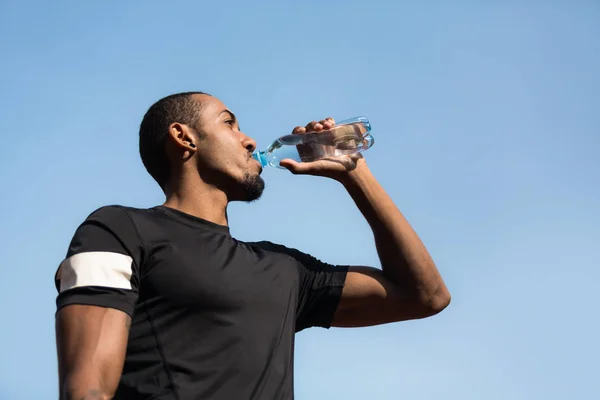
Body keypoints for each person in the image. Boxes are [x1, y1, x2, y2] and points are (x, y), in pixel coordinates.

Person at [54, 91, 451, 400]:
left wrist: (355, 173)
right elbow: (87, 389)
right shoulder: (119, 229)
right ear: (183, 137)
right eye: (230, 123)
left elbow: (425, 296)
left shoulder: (285, 269)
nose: (249, 140)